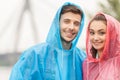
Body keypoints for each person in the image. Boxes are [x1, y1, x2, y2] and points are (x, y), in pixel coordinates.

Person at [9, 2, 86, 80]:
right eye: (66, 21)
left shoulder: (83, 59)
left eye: (76, 23)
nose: (71, 27)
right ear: (57, 23)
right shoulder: (34, 55)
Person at [83, 12, 120, 80]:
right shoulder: (87, 64)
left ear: (112, 34)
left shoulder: (118, 62)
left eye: (101, 33)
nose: (95, 38)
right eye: (92, 33)